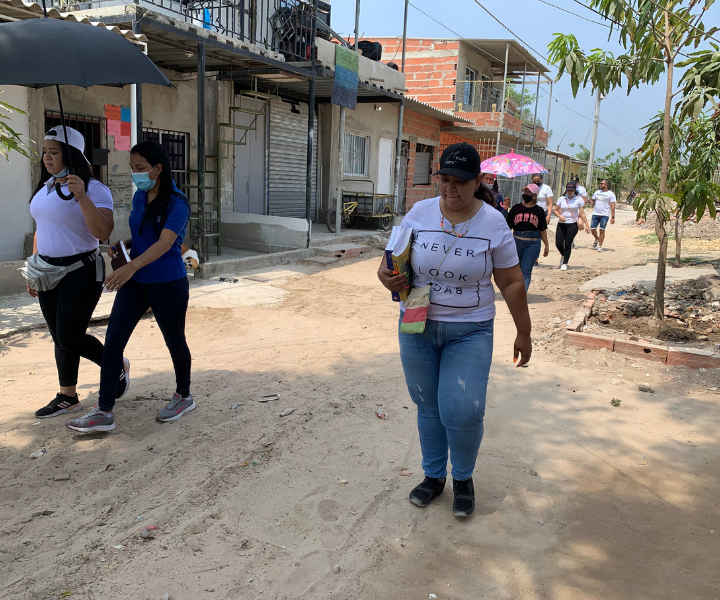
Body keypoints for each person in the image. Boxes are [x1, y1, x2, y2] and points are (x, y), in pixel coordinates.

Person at [377, 142, 532, 517]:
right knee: (427, 405)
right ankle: (434, 477)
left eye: (460, 182)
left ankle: (463, 478)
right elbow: (389, 262)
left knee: (462, 410)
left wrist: (524, 331)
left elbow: (511, 281)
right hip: (417, 323)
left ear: (478, 181)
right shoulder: (419, 212)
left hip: (470, 330)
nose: (450, 190)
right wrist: (386, 277)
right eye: (443, 180)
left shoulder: (494, 222)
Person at [66, 141, 193, 433]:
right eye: (132, 168)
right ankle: (104, 411)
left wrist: (130, 267)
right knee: (112, 344)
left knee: (174, 340)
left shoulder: (177, 202)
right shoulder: (139, 197)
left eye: (140, 168)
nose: (135, 174)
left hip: (167, 282)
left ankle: (183, 395)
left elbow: (165, 242)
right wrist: (122, 246)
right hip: (135, 282)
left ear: (157, 169)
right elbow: (142, 235)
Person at [30, 127, 130, 419]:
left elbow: (102, 232)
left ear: (71, 155)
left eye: (54, 152)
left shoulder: (95, 189)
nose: (47, 158)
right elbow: (42, 227)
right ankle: (67, 396)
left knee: (70, 335)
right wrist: (33, 267)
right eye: (45, 152)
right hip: (47, 269)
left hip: (80, 270)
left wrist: (82, 196)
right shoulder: (46, 185)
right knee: (59, 337)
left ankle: (116, 364)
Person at [506, 184, 550, 291]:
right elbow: (507, 227)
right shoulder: (516, 208)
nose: (526, 194)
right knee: (516, 270)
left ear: (534, 196)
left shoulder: (539, 211)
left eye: (528, 192)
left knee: (526, 270)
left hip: (533, 243)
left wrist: (546, 245)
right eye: (525, 191)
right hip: (517, 241)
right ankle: (516, 291)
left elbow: (542, 229)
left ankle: (521, 296)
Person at [553, 182, 590, 270]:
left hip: (572, 224)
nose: (569, 192)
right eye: (568, 190)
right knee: (558, 243)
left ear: (574, 191)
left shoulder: (579, 199)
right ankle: (564, 255)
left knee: (568, 243)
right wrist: (560, 216)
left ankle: (565, 263)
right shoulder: (562, 199)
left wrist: (587, 225)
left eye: (571, 190)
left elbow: (582, 213)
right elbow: (555, 210)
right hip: (561, 224)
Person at [590, 179, 616, 251]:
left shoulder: (611, 194)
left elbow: (612, 206)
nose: (600, 185)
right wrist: (591, 201)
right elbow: (593, 200)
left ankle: (600, 246)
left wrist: (612, 217)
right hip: (595, 213)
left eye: (602, 183)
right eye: (600, 183)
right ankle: (596, 238)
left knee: (602, 230)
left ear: (606, 185)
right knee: (592, 229)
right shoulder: (597, 192)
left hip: (604, 214)